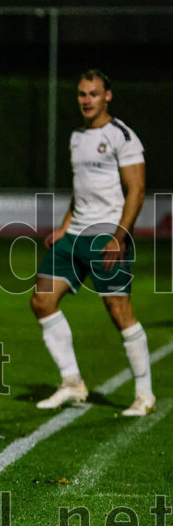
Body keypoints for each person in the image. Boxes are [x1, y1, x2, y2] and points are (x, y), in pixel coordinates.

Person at [32, 69, 154, 416]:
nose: (87, 100)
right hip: (74, 236)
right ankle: (72, 382)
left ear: (107, 96)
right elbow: (81, 189)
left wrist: (119, 237)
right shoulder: (77, 137)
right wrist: (64, 227)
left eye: (94, 94)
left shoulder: (122, 136)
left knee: (119, 312)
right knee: (42, 301)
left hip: (107, 236)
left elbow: (137, 190)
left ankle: (144, 395)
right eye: (82, 94)